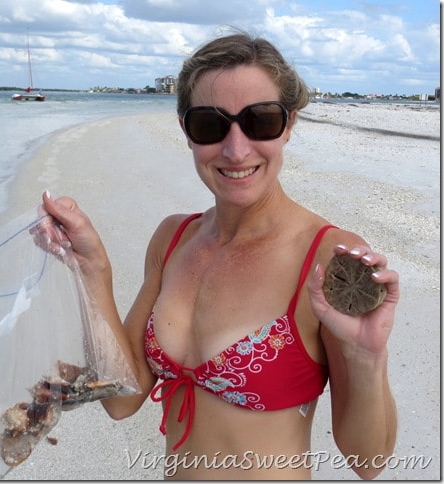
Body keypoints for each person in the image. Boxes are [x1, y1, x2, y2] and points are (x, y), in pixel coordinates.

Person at [40, 32, 399, 479]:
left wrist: (367, 357)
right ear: (187, 132)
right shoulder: (173, 238)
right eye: (211, 125)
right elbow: (122, 399)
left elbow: (370, 463)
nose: (235, 149)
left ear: (288, 126)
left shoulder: (328, 258)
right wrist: (91, 267)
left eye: (261, 121)